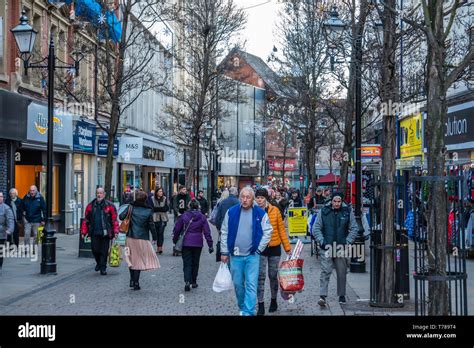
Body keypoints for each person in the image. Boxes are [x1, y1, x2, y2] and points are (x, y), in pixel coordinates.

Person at [220, 187, 273, 316]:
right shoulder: (231, 212)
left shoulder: (260, 214)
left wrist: (259, 248)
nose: (245, 199)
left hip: (252, 256)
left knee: (251, 284)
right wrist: (224, 252)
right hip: (236, 255)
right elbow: (224, 232)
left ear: (252, 199)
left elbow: (268, 231)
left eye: (248, 197)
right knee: (238, 284)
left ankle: (248, 312)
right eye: (243, 197)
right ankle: (243, 306)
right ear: (239, 198)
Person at [313, 192, 359, 306]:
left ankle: (342, 295)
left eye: (339, 201)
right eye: (335, 201)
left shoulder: (347, 211)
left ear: (341, 201)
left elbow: (354, 228)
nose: (337, 203)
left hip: (341, 247)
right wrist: (321, 241)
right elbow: (316, 228)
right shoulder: (324, 211)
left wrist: (347, 242)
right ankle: (322, 296)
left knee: (342, 272)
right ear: (331, 201)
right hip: (327, 246)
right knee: (325, 271)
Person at [255, 188, 291, 315]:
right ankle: (260, 304)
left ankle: (274, 300)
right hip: (260, 248)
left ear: (266, 199)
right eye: (257, 197)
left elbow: (281, 230)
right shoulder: (253, 212)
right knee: (260, 277)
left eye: (261, 198)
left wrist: (287, 248)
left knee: (273, 276)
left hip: (275, 248)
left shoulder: (275, 211)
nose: (259, 200)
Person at [120, 191, 160, 290]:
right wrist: (155, 237)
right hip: (142, 238)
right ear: (145, 199)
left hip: (129, 237)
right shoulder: (148, 210)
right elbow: (151, 225)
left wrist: (128, 209)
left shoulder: (130, 207)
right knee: (138, 260)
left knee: (130, 258)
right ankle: (136, 282)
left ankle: (131, 280)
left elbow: (121, 217)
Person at [173, 199, 213, 291]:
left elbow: (177, 230)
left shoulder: (184, 216)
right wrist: (210, 244)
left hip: (186, 242)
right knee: (195, 262)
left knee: (187, 263)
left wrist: (175, 241)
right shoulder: (202, 217)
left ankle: (187, 281)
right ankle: (194, 281)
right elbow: (207, 232)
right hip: (197, 243)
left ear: (189, 206)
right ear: (198, 206)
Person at [81, 188, 119, 275]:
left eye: (101, 193)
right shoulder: (90, 206)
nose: (99, 195)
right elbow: (86, 220)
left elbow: (114, 220)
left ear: (104, 194)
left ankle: (103, 267)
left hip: (106, 232)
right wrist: (83, 232)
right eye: (98, 193)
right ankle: (98, 263)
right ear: (96, 194)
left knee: (104, 251)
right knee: (95, 250)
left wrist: (116, 231)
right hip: (94, 232)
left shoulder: (110, 206)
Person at [22, 185, 47, 251]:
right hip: (28, 220)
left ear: (36, 191)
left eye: (33, 190)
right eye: (31, 190)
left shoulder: (40, 198)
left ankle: (34, 249)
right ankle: (26, 249)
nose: (32, 192)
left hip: (37, 220)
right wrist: (23, 213)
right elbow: (21, 206)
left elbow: (44, 209)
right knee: (26, 235)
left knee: (37, 236)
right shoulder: (26, 197)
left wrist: (43, 220)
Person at [149, 187, 169, 254]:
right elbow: (152, 208)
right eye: (160, 191)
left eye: (162, 191)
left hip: (163, 218)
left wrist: (158, 208)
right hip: (154, 218)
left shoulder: (165, 198)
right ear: (156, 192)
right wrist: (160, 208)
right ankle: (157, 245)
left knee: (161, 232)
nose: (161, 193)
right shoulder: (152, 199)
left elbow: (166, 208)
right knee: (156, 233)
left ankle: (159, 247)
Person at [0, 192, 15, 272]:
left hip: (2, 233)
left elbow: (10, 220)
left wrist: (10, 230)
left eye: (1, 196)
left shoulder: (6, 208)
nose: (0, 198)